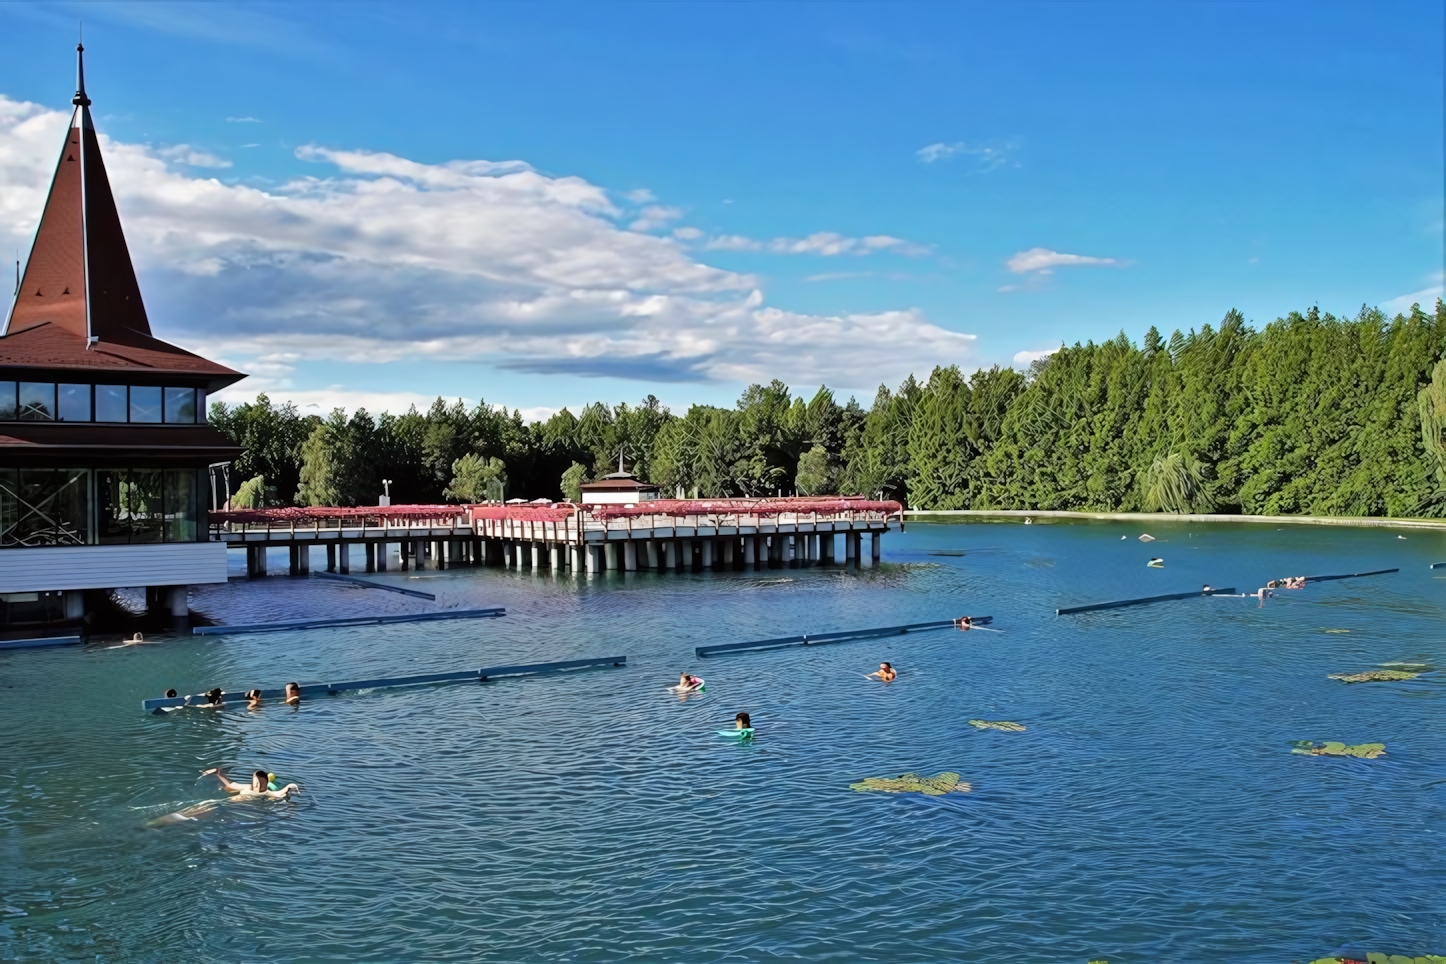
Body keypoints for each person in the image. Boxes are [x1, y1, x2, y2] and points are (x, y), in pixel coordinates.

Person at [199, 768, 298, 800]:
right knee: (228, 787)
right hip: (232, 799)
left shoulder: (265, 792)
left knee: (228, 787)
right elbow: (278, 794)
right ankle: (218, 773)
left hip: (231, 800)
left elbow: (278, 793)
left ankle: (218, 773)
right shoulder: (264, 791)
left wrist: (288, 787)